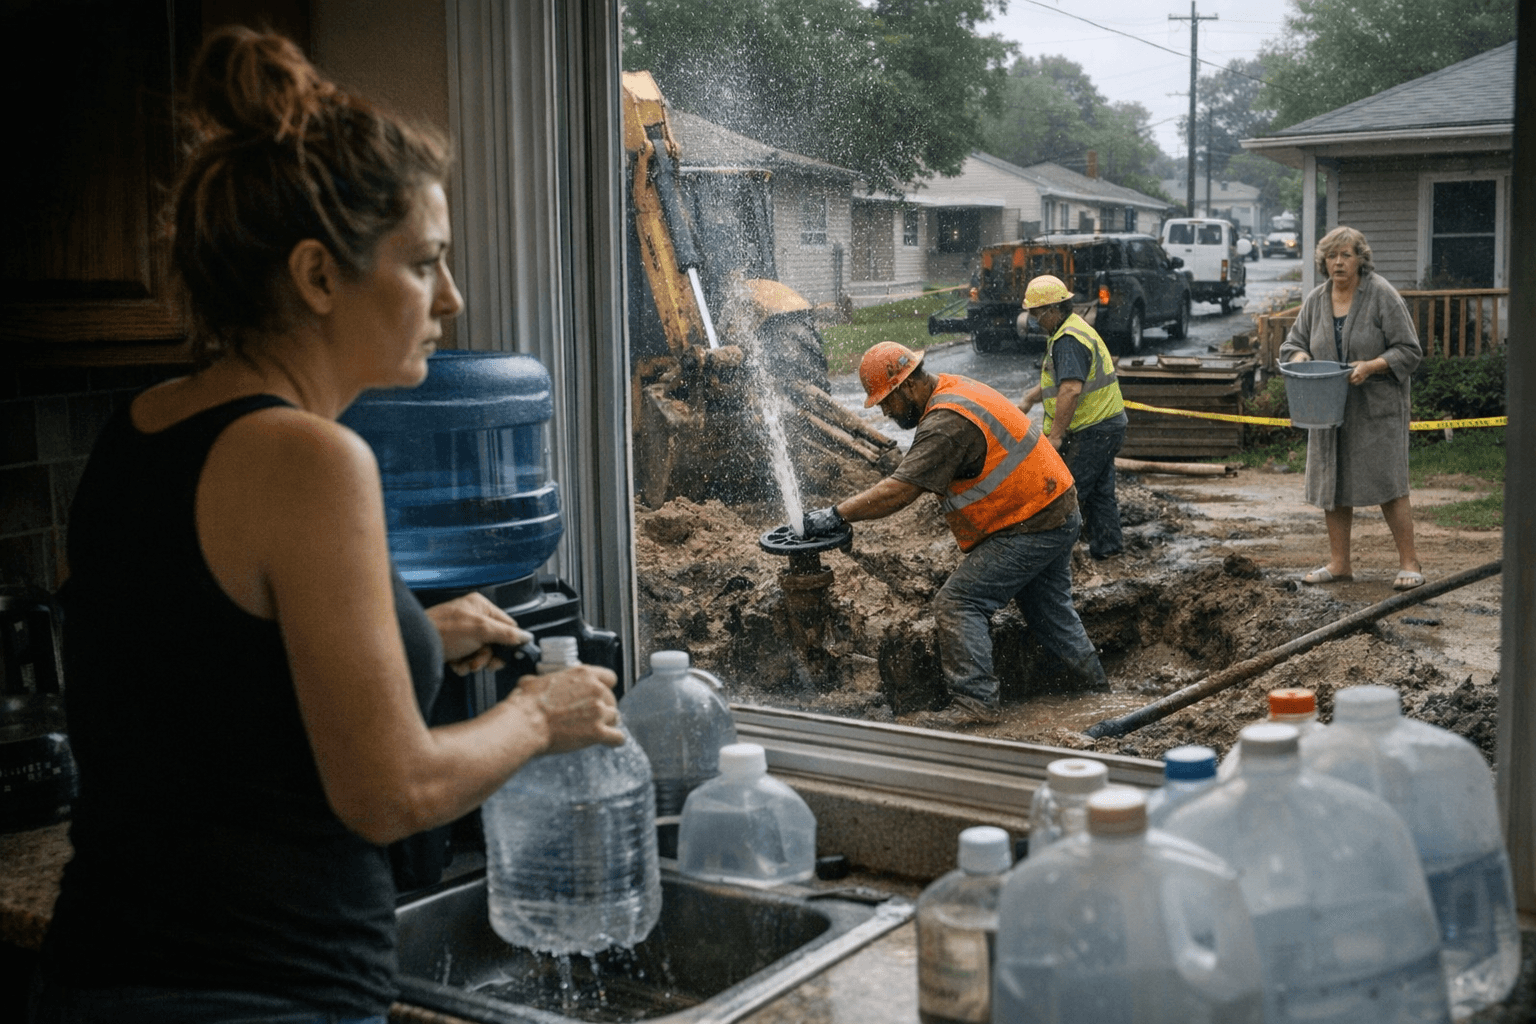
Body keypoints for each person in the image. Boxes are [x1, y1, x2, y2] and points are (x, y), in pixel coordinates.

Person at [32, 27, 624, 1024]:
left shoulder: (138, 429)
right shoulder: (311, 457)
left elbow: (206, 673)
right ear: (315, 277)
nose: (453, 298)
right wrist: (539, 715)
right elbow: (387, 793)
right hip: (258, 995)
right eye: (424, 263)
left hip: (103, 971)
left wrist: (414, 636)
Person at [801, 342, 1110, 725]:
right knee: (1050, 613)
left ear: (909, 385)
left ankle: (976, 705)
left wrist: (837, 514)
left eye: (886, 400)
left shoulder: (945, 422)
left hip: (1032, 521)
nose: (883, 410)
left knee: (959, 603)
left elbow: (901, 490)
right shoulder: (951, 388)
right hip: (1052, 508)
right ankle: (1095, 694)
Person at [1280, 225, 1425, 590]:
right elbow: (1292, 344)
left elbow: (1409, 350)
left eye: (1346, 255)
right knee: (1333, 483)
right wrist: (1300, 357)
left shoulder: (1382, 295)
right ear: (1323, 261)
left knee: (1389, 483)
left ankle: (1410, 563)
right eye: (1332, 256)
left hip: (1376, 407)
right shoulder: (1316, 299)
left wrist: (1371, 365)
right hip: (1328, 407)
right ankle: (1340, 563)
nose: (1339, 262)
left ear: (1361, 258)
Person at [1015, 275, 1127, 560]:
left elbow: (1070, 389)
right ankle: (1109, 548)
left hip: (1094, 429)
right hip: (1108, 425)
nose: (1034, 320)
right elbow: (1064, 379)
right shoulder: (1073, 330)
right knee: (1101, 491)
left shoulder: (1067, 340)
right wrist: (1029, 399)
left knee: (1067, 494)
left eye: (1036, 313)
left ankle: (1058, 558)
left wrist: (1055, 436)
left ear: (1053, 310)